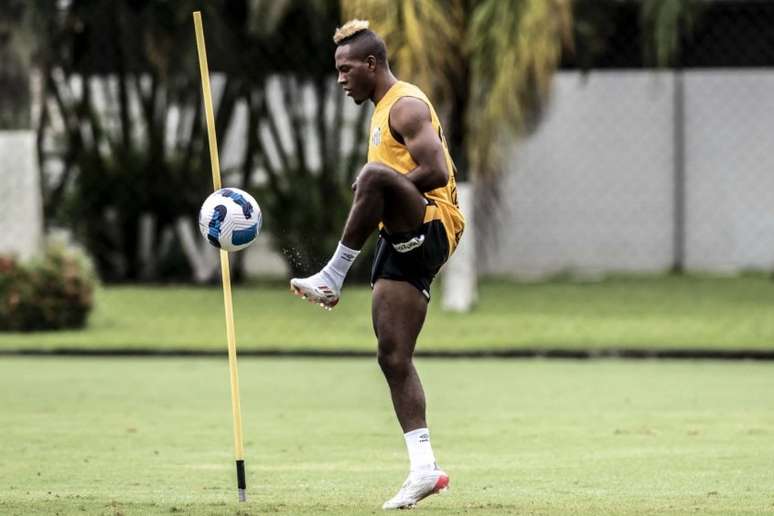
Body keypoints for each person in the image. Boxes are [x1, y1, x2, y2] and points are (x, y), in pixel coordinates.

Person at [290, 19, 464, 510]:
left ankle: (332, 275)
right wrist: (381, 186)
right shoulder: (379, 110)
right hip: (398, 237)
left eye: (347, 70)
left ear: (372, 65)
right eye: (337, 70)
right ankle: (424, 469)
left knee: (373, 175)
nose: (341, 78)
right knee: (392, 355)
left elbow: (438, 171)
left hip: (433, 223)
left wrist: (382, 184)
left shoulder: (404, 105)